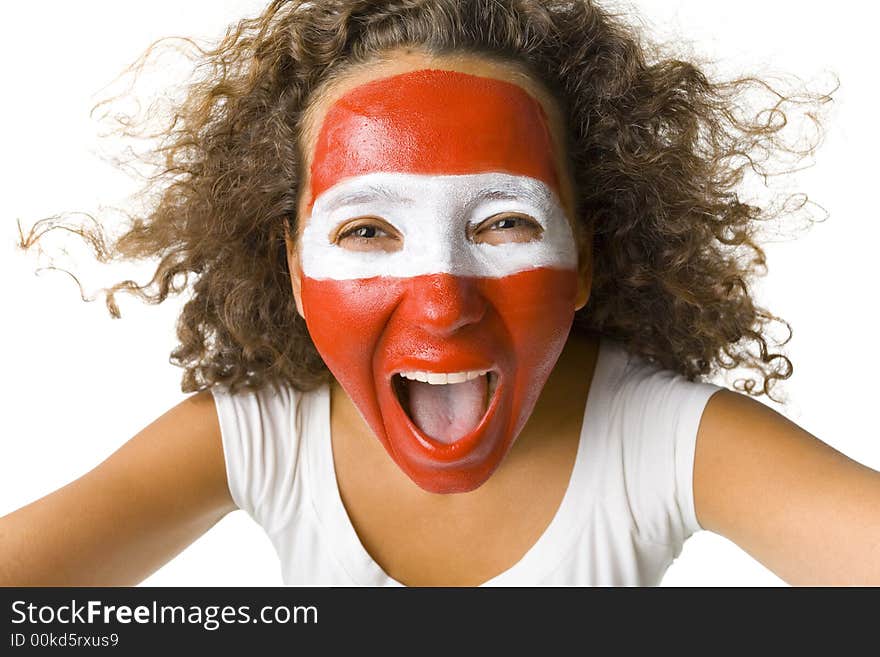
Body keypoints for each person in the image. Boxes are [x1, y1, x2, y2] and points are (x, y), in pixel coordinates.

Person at [2, 0, 878, 586]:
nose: (442, 305)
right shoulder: (255, 437)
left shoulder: (666, 440)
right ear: (294, 271)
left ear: (587, 260)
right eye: (367, 231)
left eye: (503, 224)